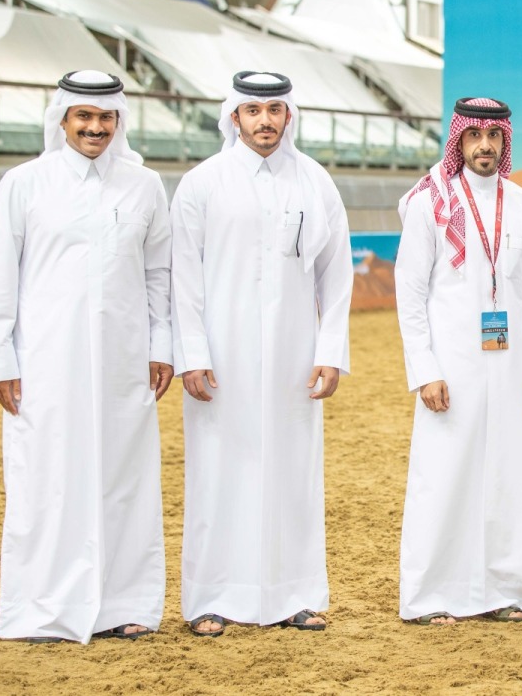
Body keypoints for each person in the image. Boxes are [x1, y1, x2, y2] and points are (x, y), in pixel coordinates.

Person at [0, 70, 172, 644]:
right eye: (84, 118)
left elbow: (158, 274)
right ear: (62, 119)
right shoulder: (24, 183)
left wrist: (161, 345)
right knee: (46, 478)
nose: (95, 128)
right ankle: (43, 608)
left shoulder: (144, 186)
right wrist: (2, 358)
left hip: (124, 364)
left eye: (106, 118)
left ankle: (124, 604)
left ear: (119, 122)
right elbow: (3, 278)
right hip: (44, 362)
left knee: (123, 478)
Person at [170, 71, 353, 637]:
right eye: (254, 111)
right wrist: (192, 353)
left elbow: (337, 275)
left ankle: (295, 594)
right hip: (220, 360)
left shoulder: (315, 182)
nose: (266, 121)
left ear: (289, 116)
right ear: (234, 117)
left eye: (275, 109)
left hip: (292, 358)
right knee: (218, 471)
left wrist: (330, 351)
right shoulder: (202, 184)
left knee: (292, 470)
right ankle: (211, 597)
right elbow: (184, 279)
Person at [395, 97, 522, 625]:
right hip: (450, 369)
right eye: (475, 136)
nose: (485, 145)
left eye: (494, 136)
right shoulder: (431, 204)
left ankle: (509, 592)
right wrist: (424, 370)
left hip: (511, 368)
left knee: (509, 478)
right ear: (459, 141)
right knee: (443, 478)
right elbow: (410, 293)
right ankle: (432, 598)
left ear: (505, 142)